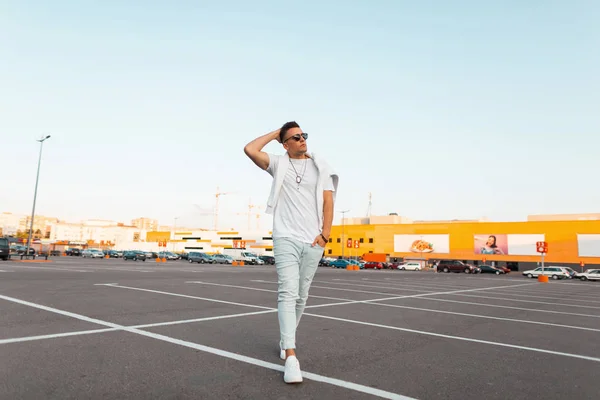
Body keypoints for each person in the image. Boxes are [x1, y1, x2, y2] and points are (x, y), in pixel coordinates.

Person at [243, 121, 338, 384]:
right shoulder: (278, 163)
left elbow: (329, 202)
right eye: (295, 137)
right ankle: (292, 356)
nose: (302, 140)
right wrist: (275, 133)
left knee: (301, 295)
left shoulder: (321, 166)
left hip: (313, 241)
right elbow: (250, 149)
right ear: (285, 144)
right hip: (285, 236)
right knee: (287, 291)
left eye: (303, 135)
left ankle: (286, 341)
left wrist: (325, 235)